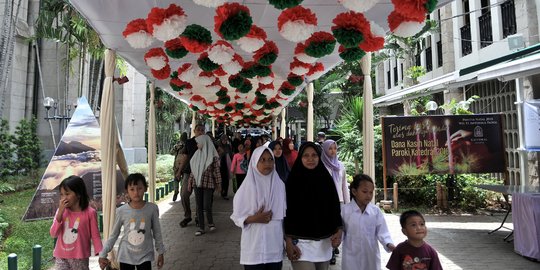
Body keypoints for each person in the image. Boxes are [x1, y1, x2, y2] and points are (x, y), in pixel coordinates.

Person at [284, 142, 343, 270]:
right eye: (306, 155)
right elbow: (287, 213)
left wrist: (339, 230)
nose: (310, 159)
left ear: (319, 157)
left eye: (314, 155)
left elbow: (334, 208)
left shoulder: (326, 180)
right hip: (300, 244)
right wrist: (288, 241)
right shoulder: (293, 182)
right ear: (300, 158)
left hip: (324, 243)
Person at [230, 146, 287, 270]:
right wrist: (255, 218)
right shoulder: (246, 188)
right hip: (253, 250)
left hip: (274, 248)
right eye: (262, 160)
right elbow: (236, 217)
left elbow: (284, 217)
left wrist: (288, 241)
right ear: (255, 162)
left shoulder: (280, 185)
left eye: (270, 159)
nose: (267, 163)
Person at [99, 173, 165, 270]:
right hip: (126, 256)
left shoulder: (152, 208)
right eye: (132, 189)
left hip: (145, 255)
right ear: (127, 191)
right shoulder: (121, 211)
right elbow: (114, 235)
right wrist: (103, 254)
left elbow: (157, 232)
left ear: (145, 188)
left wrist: (161, 252)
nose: (136, 192)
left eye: (139, 188)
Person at [341, 174, 395, 270]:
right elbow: (340, 233)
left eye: (371, 192)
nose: (368, 195)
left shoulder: (375, 211)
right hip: (351, 258)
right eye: (365, 192)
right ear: (354, 191)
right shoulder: (345, 211)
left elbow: (383, 232)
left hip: (371, 258)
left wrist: (389, 244)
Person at [50, 175, 103, 270]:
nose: (63, 198)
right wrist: (60, 214)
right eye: (61, 194)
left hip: (80, 257)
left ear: (78, 194)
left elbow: (95, 235)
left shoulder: (90, 213)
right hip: (61, 256)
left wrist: (101, 254)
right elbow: (53, 234)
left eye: (67, 194)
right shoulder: (61, 211)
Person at [321, 139, 349, 264]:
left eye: (334, 148)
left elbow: (344, 186)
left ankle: (335, 247)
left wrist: (348, 204)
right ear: (325, 150)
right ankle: (330, 252)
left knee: (338, 227)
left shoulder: (340, 165)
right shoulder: (321, 165)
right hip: (325, 202)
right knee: (329, 226)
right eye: (330, 148)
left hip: (339, 201)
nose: (332, 151)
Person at [189, 134, 222, 236]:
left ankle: (210, 222)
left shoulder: (213, 156)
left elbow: (217, 171)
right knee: (199, 206)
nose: (197, 144)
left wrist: (219, 184)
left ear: (204, 142)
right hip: (197, 184)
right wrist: (189, 183)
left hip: (209, 183)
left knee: (207, 205)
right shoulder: (196, 155)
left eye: (199, 142)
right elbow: (192, 171)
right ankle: (201, 227)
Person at [179, 124, 205, 228]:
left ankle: (198, 217)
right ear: (194, 131)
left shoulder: (207, 142)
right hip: (188, 172)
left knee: (199, 196)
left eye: (202, 130)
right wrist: (179, 170)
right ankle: (187, 215)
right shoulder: (189, 142)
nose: (200, 131)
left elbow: (216, 152)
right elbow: (185, 157)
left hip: (201, 172)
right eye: (198, 130)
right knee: (184, 194)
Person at [171, 132, 188, 202]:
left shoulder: (177, 145)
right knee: (184, 179)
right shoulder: (187, 144)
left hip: (177, 163)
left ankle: (176, 190)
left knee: (176, 179)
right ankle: (182, 192)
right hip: (185, 164)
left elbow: (171, 152)